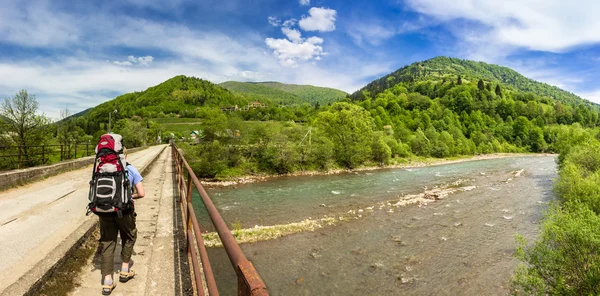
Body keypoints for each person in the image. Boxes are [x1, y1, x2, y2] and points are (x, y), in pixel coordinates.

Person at [100, 147, 145, 295]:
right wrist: (129, 197)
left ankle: (107, 282)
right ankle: (125, 270)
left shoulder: (101, 169)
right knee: (130, 236)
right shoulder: (131, 169)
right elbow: (141, 193)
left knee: (107, 243)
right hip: (125, 211)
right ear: (125, 155)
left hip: (104, 211)